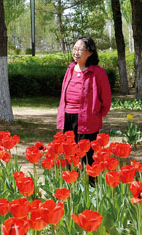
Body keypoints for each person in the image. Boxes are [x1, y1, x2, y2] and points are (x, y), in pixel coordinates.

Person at [56, 36, 112, 166]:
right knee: (70, 153)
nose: (76, 52)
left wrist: (97, 114)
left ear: (90, 52)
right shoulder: (70, 68)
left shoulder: (98, 72)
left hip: (88, 118)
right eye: (74, 49)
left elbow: (106, 97)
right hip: (68, 116)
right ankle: (70, 182)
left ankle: (90, 184)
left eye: (80, 50)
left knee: (88, 156)